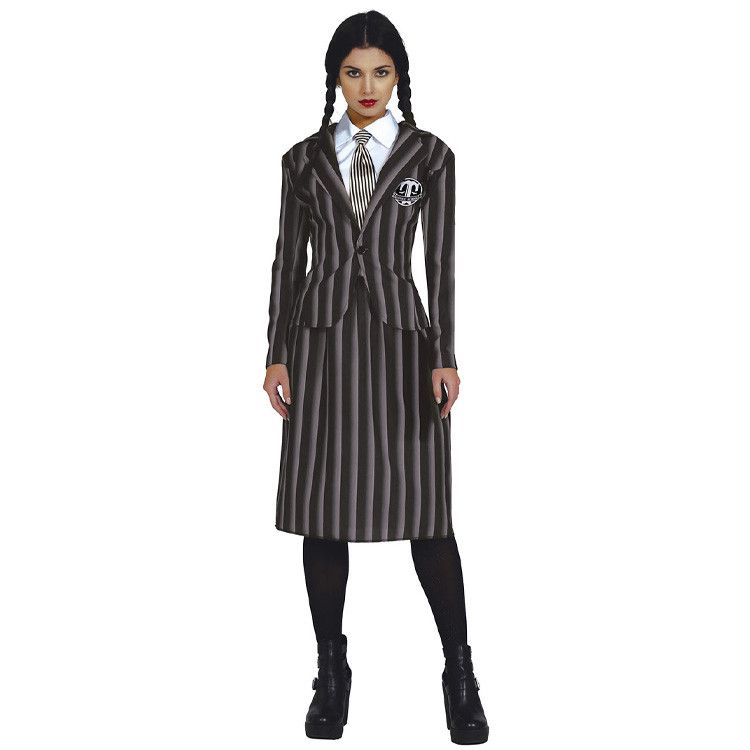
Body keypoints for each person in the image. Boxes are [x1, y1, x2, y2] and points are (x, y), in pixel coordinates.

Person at [262, 11, 489, 744]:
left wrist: (445, 353)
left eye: (381, 72)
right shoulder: (303, 161)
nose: (367, 86)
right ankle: (331, 672)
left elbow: (440, 261)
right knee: (324, 507)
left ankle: (459, 673)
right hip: (321, 345)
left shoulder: (430, 156)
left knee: (427, 512)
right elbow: (287, 262)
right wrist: (275, 352)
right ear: (335, 77)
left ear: (399, 77)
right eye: (354, 72)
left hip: (401, 346)